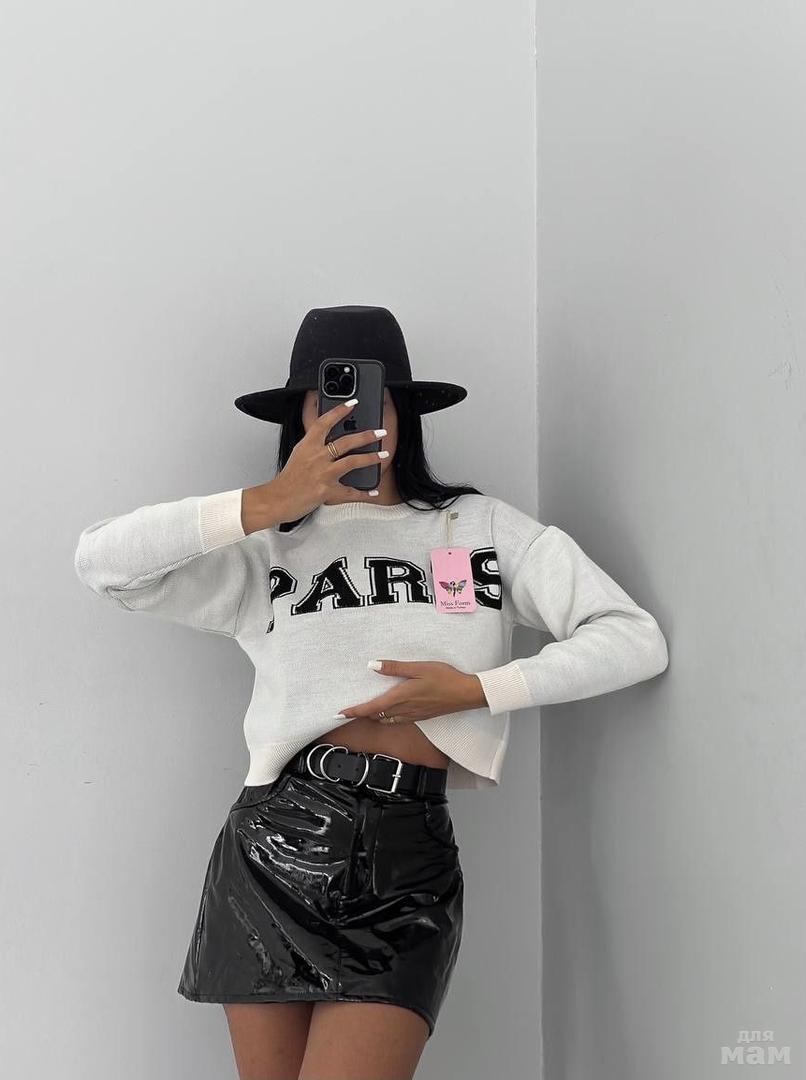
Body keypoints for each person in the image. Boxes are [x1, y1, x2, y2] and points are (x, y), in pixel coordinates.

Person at [73, 305, 669, 1080]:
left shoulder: (479, 528)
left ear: (402, 412)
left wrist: (478, 689)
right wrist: (266, 502)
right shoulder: (266, 548)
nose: (351, 417)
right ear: (300, 417)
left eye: (371, 399)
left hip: (407, 858)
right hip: (274, 846)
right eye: (329, 402)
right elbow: (101, 562)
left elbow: (633, 639)